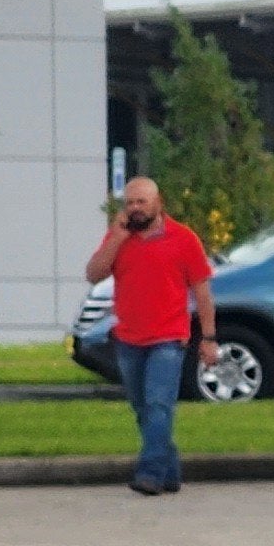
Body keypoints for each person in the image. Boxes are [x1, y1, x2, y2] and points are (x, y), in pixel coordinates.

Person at [85, 178, 216, 497]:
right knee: (143, 409)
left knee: (159, 405)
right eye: (129, 202)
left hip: (168, 337)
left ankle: (150, 474)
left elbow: (202, 291)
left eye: (141, 202)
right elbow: (93, 274)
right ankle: (170, 472)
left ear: (158, 202)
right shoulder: (119, 238)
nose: (135, 208)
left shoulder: (183, 239)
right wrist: (116, 239)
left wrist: (209, 337)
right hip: (129, 337)